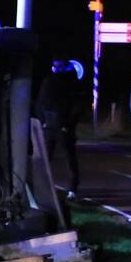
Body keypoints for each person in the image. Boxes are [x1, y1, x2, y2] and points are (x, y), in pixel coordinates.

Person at [37, 57, 84, 199]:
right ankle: (42, 188)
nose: (56, 69)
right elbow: (40, 103)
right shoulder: (48, 81)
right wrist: (43, 121)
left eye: (59, 66)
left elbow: (77, 107)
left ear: (65, 67)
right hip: (49, 126)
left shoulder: (71, 83)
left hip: (63, 127)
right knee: (45, 158)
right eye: (54, 66)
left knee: (68, 158)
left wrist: (67, 125)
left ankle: (72, 189)